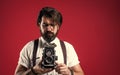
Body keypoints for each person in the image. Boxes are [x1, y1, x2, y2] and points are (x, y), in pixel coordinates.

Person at [15, 7, 84, 75]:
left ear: (58, 26)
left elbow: (81, 73)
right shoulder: (29, 47)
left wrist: (69, 72)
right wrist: (33, 70)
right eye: (45, 25)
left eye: (52, 25)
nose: (48, 29)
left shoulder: (68, 48)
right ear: (39, 25)